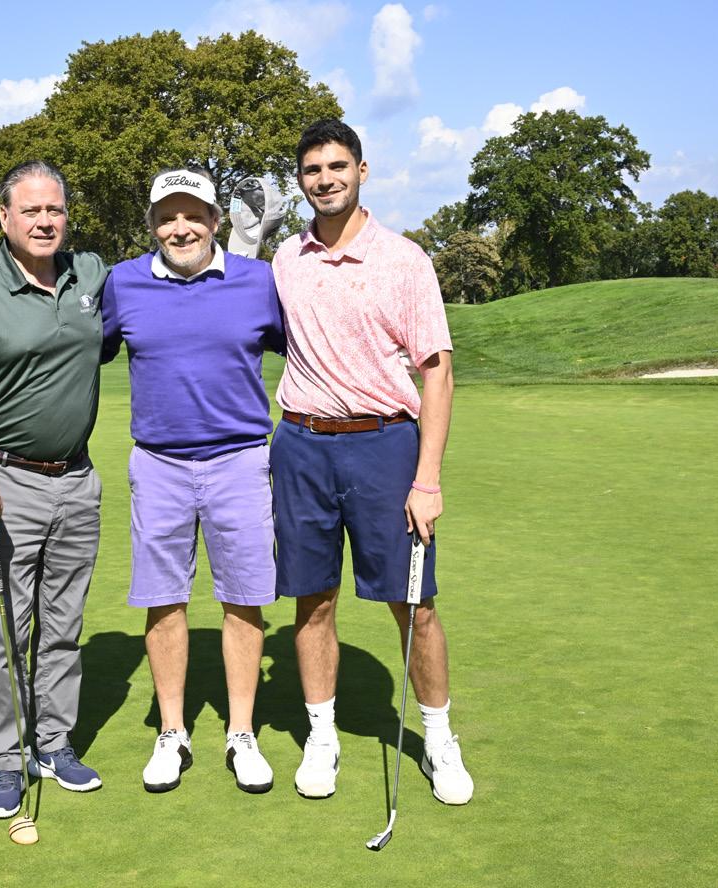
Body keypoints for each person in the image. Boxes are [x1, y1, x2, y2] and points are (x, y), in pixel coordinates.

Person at [270, 120, 474, 805]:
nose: (325, 179)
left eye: (337, 166)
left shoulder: (405, 260)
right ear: (300, 180)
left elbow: (437, 373)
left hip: (385, 446)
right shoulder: (286, 259)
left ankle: (438, 739)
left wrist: (427, 479)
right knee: (312, 599)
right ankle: (321, 736)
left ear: (361, 170)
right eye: (312, 170)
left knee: (413, 604)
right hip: (301, 444)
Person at [102, 167, 285, 794]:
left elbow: (306, 343)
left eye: (192, 216)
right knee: (164, 599)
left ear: (214, 221)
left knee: (244, 598)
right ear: (152, 225)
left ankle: (242, 733)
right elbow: (82, 348)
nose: (179, 228)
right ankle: (173, 732)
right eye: (166, 217)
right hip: (159, 464)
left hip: (240, 460)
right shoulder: (123, 282)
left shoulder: (257, 280)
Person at [0, 160, 107, 819]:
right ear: (4, 217)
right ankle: (8, 760)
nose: (43, 220)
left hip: (77, 480)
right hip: (4, 480)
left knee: (63, 624)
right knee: (9, 629)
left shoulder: (90, 275)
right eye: (30, 210)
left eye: (54, 209)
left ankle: (54, 744)